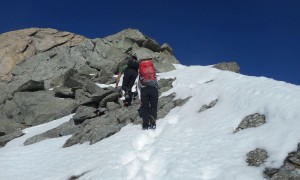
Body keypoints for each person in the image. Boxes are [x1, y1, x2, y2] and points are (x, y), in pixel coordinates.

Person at [137, 58, 158, 130]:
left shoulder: (141, 73)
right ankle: (153, 123)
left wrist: (140, 97)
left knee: (145, 108)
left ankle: (145, 125)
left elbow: (138, 85)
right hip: (153, 89)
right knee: (153, 107)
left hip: (144, 89)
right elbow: (156, 82)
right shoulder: (152, 72)